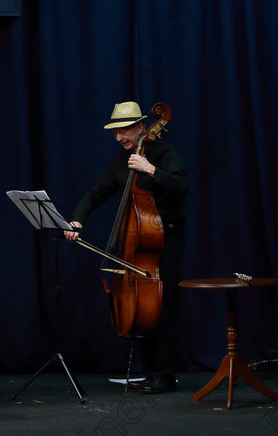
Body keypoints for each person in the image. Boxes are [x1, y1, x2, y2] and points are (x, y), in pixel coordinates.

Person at [64, 101, 188, 394]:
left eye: (124, 130)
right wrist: (76, 221)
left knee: (165, 308)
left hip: (166, 240)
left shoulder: (163, 152)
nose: (119, 137)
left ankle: (166, 374)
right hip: (138, 246)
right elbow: (96, 193)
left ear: (141, 128)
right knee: (143, 310)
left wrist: (150, 169)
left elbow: (182, 186)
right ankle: (149, 371)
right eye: (116, 132)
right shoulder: (121, 163)